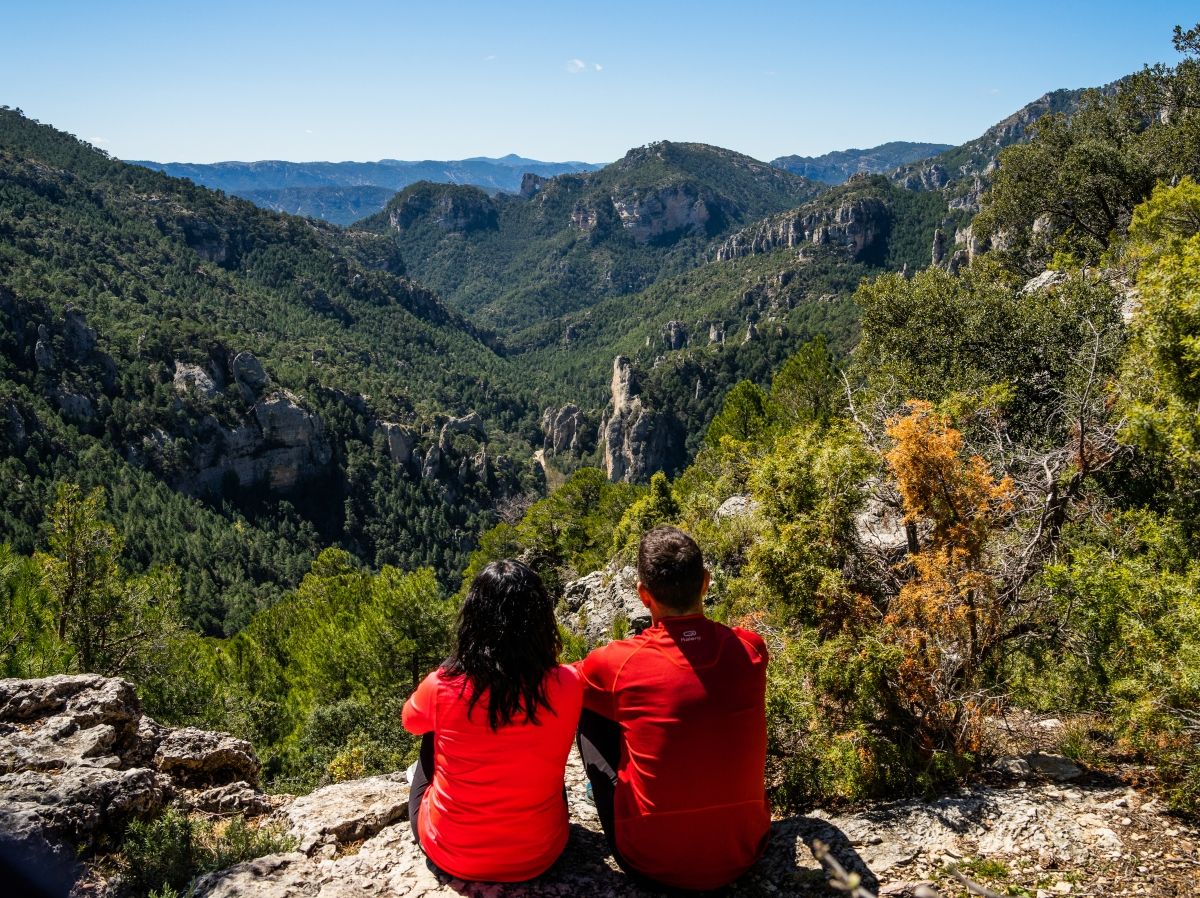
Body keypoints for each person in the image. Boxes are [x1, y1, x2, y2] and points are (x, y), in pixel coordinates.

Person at [576, 526, 770, 891]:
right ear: (706, 583)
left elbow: (557, 684)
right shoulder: (751, 649)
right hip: (744, 853)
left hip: (650, 863)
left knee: (589, 708)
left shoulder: (616, 663)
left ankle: (602, 794)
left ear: (643, 596)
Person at [402, 559, 583, 882]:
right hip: (541, 853)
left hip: (451, 852)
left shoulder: (442, 685)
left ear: (473, 620)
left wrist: (451, 666)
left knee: (432, 731)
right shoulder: (568, 683)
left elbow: (410, 722)